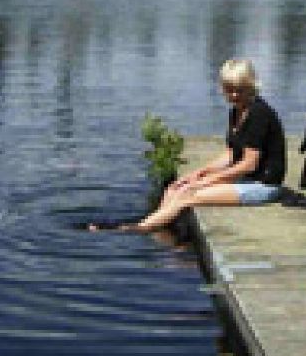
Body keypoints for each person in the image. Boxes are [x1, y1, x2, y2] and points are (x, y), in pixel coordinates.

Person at [98, 59, 285, 233]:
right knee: (175, 188)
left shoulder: (258, 114)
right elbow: (230, 155)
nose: (234, 95)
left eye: (240, 89)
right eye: (229, 90)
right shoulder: (237, 111)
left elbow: (248, 164)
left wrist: (207, 181)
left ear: (251, 85)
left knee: (188, 195)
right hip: (246, 180)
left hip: (263, 186)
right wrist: (198, 173)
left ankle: (134, 230)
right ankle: (160, 228)